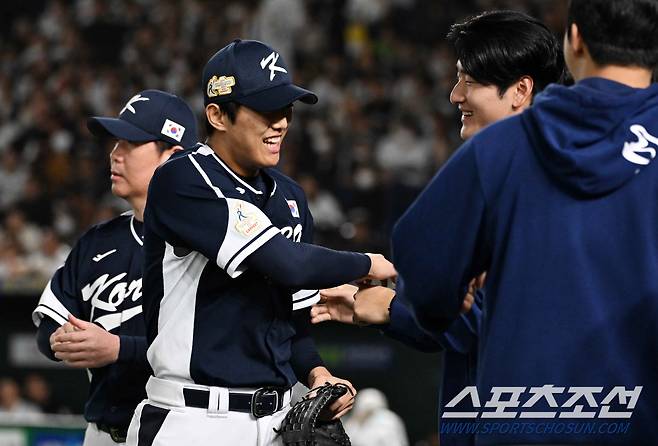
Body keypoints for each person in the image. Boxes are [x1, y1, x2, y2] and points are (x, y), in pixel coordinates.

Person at [392, 0, 658, 444]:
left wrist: (442, 307)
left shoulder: (499, 149)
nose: (456, 94)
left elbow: (423, 265)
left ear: (574, 39)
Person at [311, 10, 564, 446]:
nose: (454, 95)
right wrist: (387, 306)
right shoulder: (515, 175)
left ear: (520, 90)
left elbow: (487, 326)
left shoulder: (543, 187)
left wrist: (396, 305)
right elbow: (462, 327)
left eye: (469, 81)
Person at [126, 39, 395, 446]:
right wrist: (368, 262)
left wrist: (317, 374)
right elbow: (290, 263)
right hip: (192, 419)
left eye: (286, 109)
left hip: (275, 420)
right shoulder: (184, 179)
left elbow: (294, 323)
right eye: (267, 109)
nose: (282, 122)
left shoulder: (290, 198)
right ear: (217, 115)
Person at [32, 89, 198, 445]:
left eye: (129, 144)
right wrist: (65, 340)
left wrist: (117, 348)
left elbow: (207, 348)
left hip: (179, 431)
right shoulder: (98, 241)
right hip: (102, 433)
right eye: (115, 143)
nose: (114, 154)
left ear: (172, 156)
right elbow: (47, 329)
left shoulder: (209, 244)